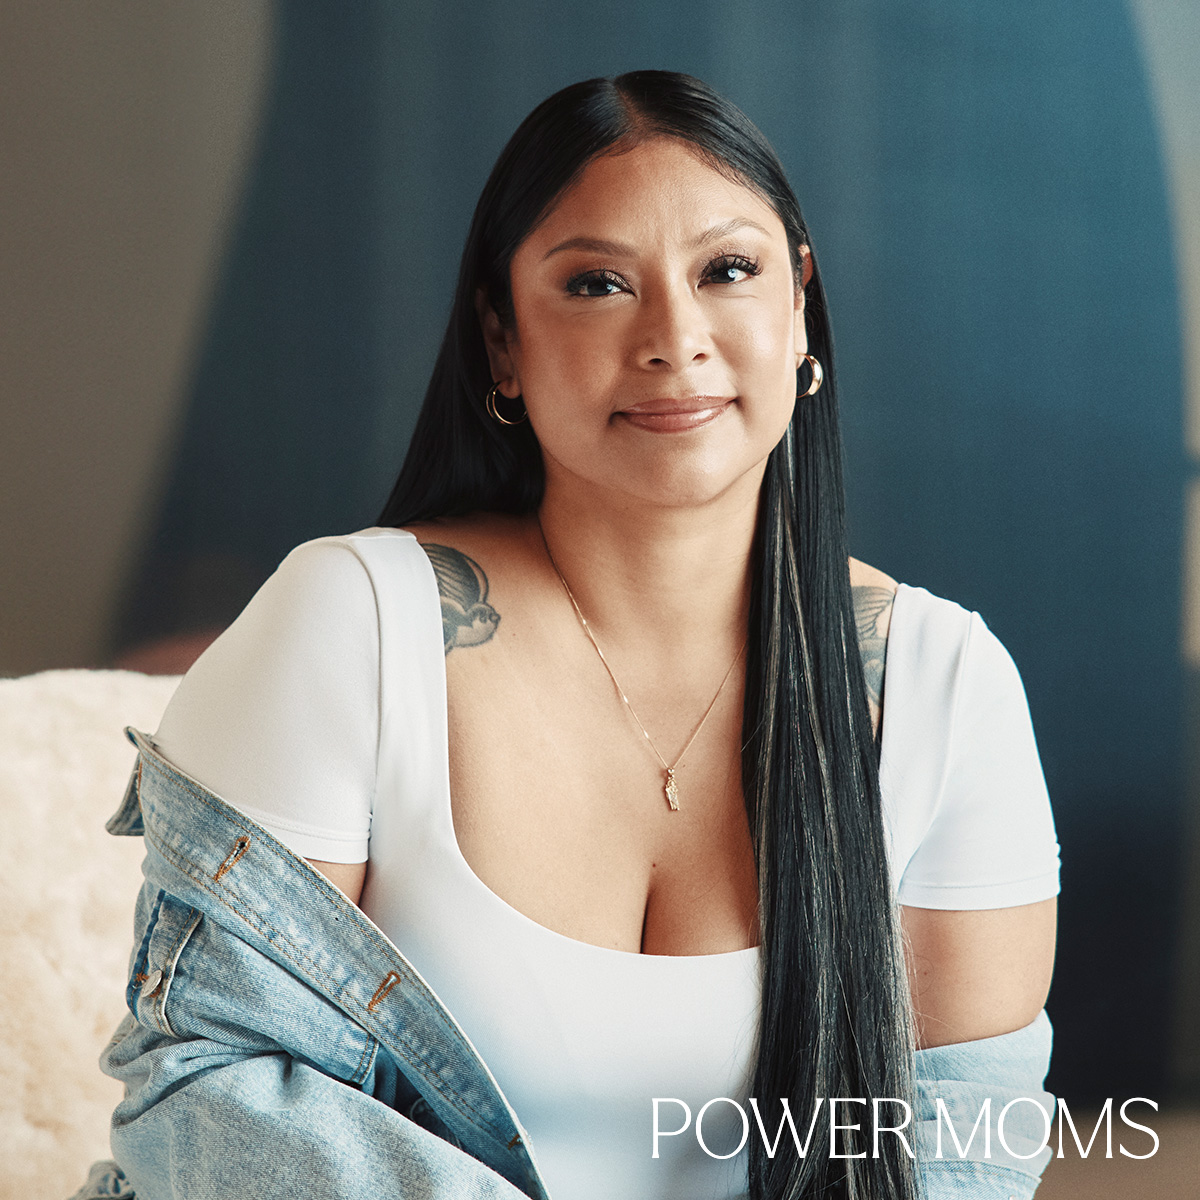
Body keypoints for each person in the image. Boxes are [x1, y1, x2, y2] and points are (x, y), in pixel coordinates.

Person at [82, 71, 1059, 1200]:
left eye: (728, 271)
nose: (674, 339)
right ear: (502, 340)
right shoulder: (355, 622)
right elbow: (202, 1090)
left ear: (800, 308)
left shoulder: (948, 686)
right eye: (597, 283)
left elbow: (962, 1147)